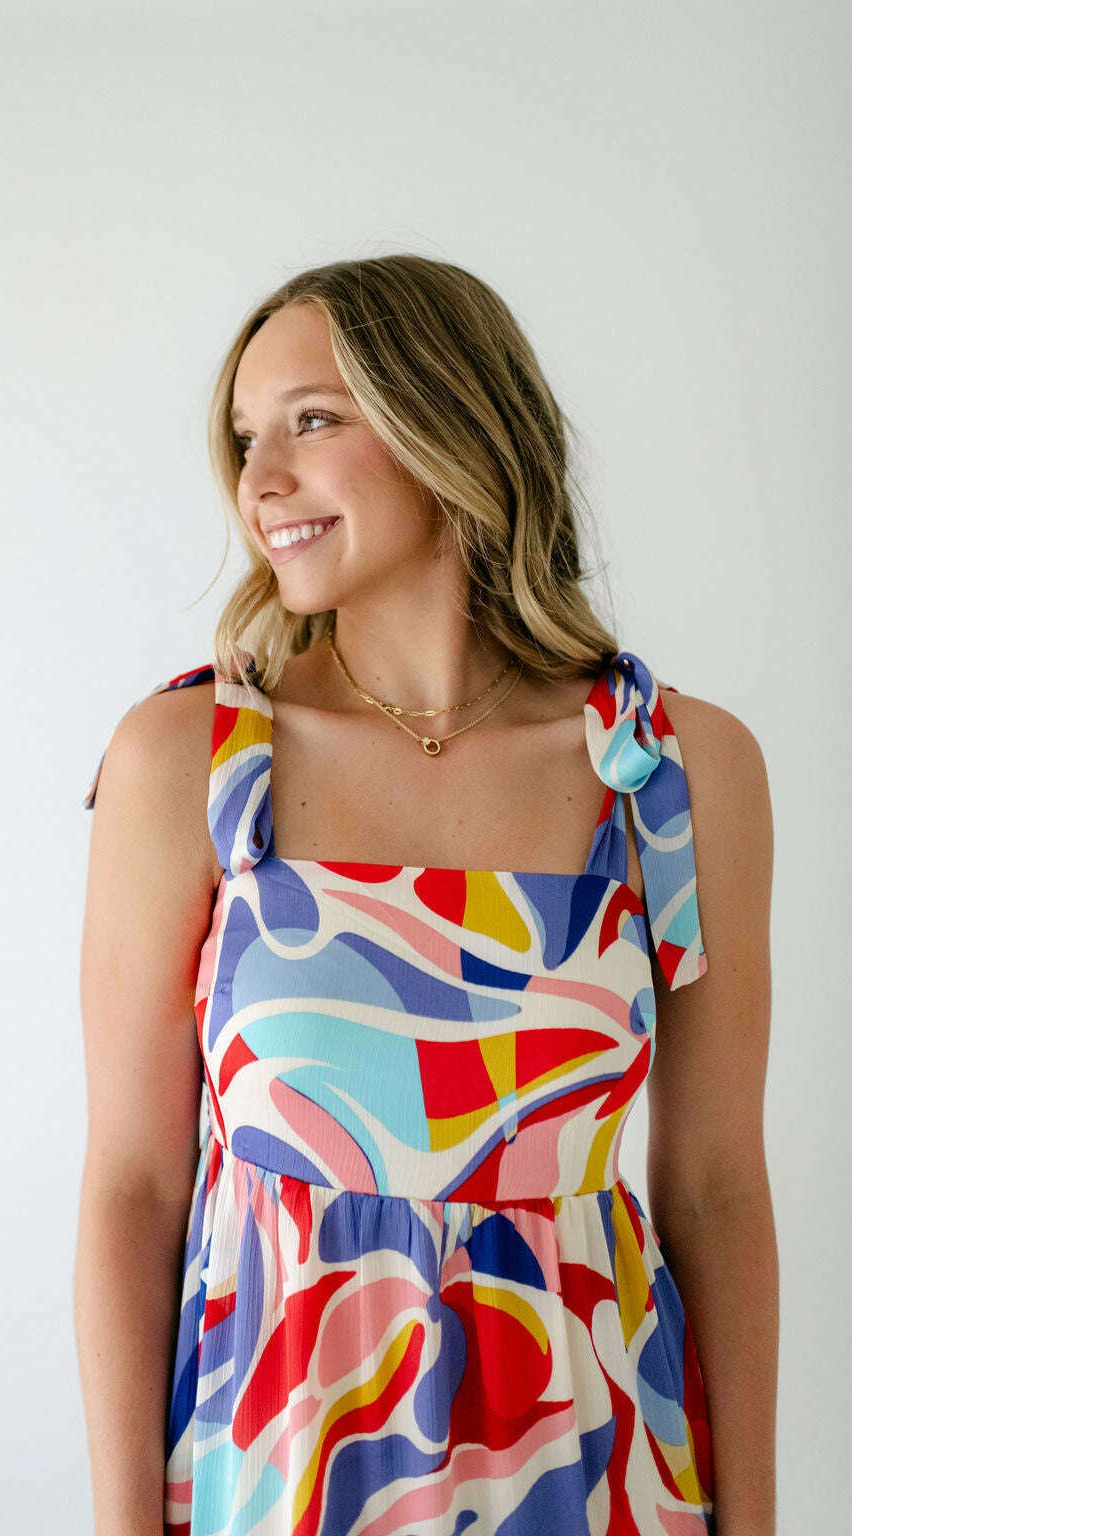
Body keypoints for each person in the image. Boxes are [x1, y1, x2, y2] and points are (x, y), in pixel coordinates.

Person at [75, 254, 776, 1536]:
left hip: (597, 1481)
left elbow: (716, 1189)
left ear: (448, 421)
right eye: (245, 438)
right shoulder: (193, 762)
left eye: (312, 420)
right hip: (283, 1482)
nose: (259, 481)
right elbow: (134, 1189)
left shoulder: (672, 774)